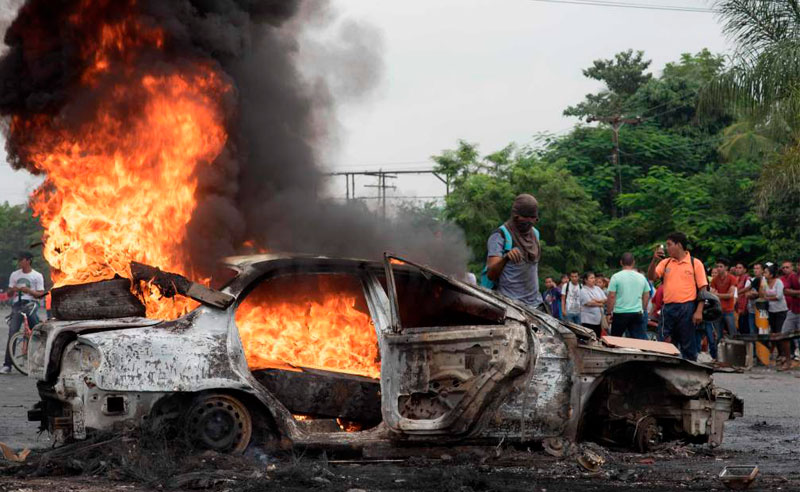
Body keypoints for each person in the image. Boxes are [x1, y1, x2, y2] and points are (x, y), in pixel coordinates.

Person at [647, 233, 708, 361]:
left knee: (688, 343)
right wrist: (654, 261)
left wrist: (699, 311)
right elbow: (652, 277)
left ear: (679, 245)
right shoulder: (666, 262)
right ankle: (666, 370)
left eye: (669, 244)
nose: (667, 248)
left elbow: (703, 289)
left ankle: (690, 374)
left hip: (687, 307)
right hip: (668, 307)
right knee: (664, 341)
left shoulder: (695, 263)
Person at [485, 194, 543, 309]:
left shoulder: (535, 234)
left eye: (533, 218)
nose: (530, 222)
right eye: (526, 218)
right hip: (511, 305)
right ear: (515, 216)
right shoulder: (500, 235)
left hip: (535, 305)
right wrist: (506, 258)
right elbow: (491, 274)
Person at [2, 251, 45, 374]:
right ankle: (7, 365)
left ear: (28, 260)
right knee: (12, 333)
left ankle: (40, 362)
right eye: (18, 260)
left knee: (37, 333)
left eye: (21, 260)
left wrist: (29, 291)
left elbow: (41, 295)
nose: (19, 262)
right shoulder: (14, 275)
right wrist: (13, 290)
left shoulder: (37, 275)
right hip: (17, 305)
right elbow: (9, 294)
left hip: (31, 304)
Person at [606, 253, 650, 339]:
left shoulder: (615, 277)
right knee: (638, 341)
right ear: (633, 262)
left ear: (621, 262)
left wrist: (608, 313)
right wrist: (643, 308)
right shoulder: (641, 277)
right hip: (636, 313)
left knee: (615, 340)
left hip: (620, 313)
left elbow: (611, 296)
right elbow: (647, 294)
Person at [763, 264, 790, 370]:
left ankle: (784, 355)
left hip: (781, 310)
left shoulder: (778, 282)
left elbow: (779, 296)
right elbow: (762, 294)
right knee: (774, 333)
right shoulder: (765, 282)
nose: (764, 274)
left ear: (771, 274)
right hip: (771, 310)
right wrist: (768, 297)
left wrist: (767, 297)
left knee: (780, 332)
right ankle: (780, 354)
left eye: (766, 272)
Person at [711, 258, 738, 339]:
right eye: (717, 266)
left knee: (733, 333)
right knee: (718, 335)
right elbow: (713, 294)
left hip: (729, 309)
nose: (718, 268)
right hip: (718, 309)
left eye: (721, 266)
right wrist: (723, 295)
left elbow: (730, 295)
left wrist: (717, 294)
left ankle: (735, 350)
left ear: (726, 267)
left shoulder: (732, 278)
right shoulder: (714, 280)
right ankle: (719, 351)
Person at [779, 260, 800, 362]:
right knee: (784, 335)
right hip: (793, 310)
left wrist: (794, 293)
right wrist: (797, 293)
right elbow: (785, 291)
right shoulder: (793, 277)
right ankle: (788, 361)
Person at [579, 272, 607, 337]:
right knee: (589, 338)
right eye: (591, 278)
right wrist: (600, 304)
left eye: (594, 278)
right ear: (585, 280)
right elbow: (589, 303)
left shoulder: (597, 288)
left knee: (598, 337)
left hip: (598, 319)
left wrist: (596, 300)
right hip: (588, 320)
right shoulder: (583, 290)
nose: (593, 280)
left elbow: (605, 299)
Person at [733, 262, 751, 335]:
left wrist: (744, 308)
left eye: (740, 268)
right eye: (736, 268)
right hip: (737, 307)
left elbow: (746, 293)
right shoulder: (736, 279)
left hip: (745, 308)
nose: (737, 270)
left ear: (745, 270)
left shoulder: (748, 279)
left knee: (745, 330)